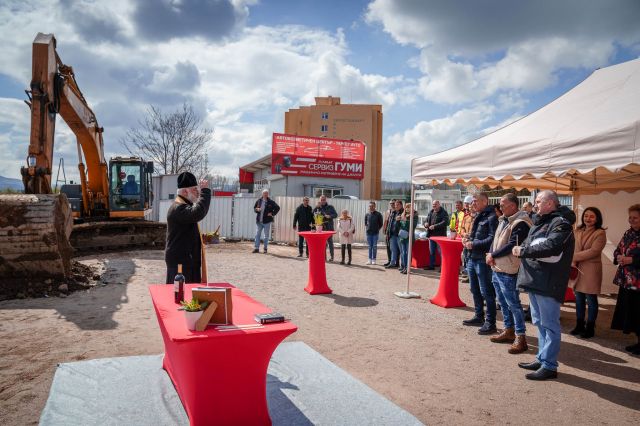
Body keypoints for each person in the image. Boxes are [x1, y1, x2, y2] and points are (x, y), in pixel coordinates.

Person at [513, 190, 575, 380]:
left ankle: (549, 365)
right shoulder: (542, 221)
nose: (535, 204)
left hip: (548, 282)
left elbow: (551, 247)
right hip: (536, 281)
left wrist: (523, 250)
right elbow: (535, 244)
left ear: (550, 204)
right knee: (540, 323)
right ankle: (542, 358)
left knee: (549, 325)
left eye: (539, 201)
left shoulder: (561, 224)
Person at [485, 193, 532, 353]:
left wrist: (493, 255)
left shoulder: (521, 223)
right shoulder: (504, 220)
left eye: (503, 204)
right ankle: (508, 330)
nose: (500, 207)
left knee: (514, 304)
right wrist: (490, 254)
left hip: (509, 269)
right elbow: (495, 240)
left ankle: (520, 336)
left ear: (513, 206)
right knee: (503, 302)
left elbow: (512, 245)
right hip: (498, 267)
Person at [165, 172, 211, 284]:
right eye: (195, 189)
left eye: (198, 189)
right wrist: (205, 192)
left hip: (187, 260)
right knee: (181, 295)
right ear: (185, 191)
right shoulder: (177, 208)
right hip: (180, 262)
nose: (198, 192)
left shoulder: (183, 206)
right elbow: (198, 213)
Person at [462, 192, 498, 335]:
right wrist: (468, 239)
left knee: (486, 292)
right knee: (474, 289)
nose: (472, 204)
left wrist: (474, 243)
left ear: (485, 201)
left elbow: (493, 239)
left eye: (475, 201)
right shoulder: (479, 215)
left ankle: (490, 322)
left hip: (482, 259)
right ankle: (479, 316)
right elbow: (476, 234)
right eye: (472, 202)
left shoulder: (491, 217)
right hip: (472, 257)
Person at [570, 207, 607, 338]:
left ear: (597, 218)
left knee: (591, 299)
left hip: (591, 270)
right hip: (578, 268)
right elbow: (572, 246)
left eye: (592, 216)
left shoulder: (600, 233)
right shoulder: (578, 230)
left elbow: (594, 251)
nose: (588, 218)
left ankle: (590, 327)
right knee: (579, 298)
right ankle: (579, 325)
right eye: (586, 215)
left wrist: (573, 257)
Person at [611, 204, 640, 355]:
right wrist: (618, 257)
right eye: (630, 217)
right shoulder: (628, 233)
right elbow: (618, 248)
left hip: (638, 281)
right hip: (627, 280)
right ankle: (638, 341)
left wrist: (632, 260)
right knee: (632, 311)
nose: (631, 220)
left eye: (635, 217)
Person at [423, 200, 449, 270]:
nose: (434, 206)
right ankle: (431, 266)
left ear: (439, 205)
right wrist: (425, 224)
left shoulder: (444, 212)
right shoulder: (431, 212)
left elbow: (445, 222)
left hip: (440, 236)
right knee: (432, 252)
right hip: (431, 235)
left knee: (441, 252)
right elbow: (425, 220)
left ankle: (443, 267)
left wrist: (435, 226)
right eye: (433, 204)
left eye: (435, 204)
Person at [253, 189, 280, 253]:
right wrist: (257, 209)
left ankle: (265, 248)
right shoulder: (259, 201)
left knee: (266, 236)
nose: (265, 195)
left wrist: (272, 213)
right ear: (262, 194)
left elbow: (278, 208)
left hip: (267, 222)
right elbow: (254, 209)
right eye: (264, 193)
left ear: (268, 194)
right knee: (257, 235)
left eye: (266, 193)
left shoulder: (271, 202)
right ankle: (256, 248)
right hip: (259, 221)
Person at [398, 202, 418, 274]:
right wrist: (398, 221)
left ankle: (407, 268)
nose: (407, 209)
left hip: (409, 237)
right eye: (406, 207)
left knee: (408, 253)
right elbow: (400, 226)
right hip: (403, 237)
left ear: (412, 208)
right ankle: (404, 267)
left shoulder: (414, 215)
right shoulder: (403, 215)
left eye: (408, 207)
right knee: (403, 253)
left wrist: (406, 221)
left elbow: (413, 226)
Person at [317, 195, 338, 261]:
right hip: (321, 228)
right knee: (322, 243)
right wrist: (317, 207)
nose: (323, 201)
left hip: (329, 227)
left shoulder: (330, 207)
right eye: (321, 200)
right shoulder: (318, 207)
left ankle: (332, 257)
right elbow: (314, 214)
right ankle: (324, 257)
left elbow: (335, 215)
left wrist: (330, 216)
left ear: (326, 200)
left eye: (324, 199)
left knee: (330, 243)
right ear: (320, 200)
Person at [385, 200, 404, 269]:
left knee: (401, 250)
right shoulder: (393, 212)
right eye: (395, 205)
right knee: (393, 249)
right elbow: (389, 223)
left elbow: (405, 222)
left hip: (399, 234)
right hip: (392, 234)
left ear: (401, 205)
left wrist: (401, 218)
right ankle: (392, 263)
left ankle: (403, 265)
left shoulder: (404, 212)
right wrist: (388, 232)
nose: (396, 206)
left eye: (397, 205)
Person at [460, 195, 474, 283]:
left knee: (470, 260)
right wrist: (464, 234)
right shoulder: (466, 217)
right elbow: (462, 228)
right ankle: (468, 276)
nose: (468, 208)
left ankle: (471, 277)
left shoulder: (476, 217)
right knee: (466, 258)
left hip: (473, 242)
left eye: (469, 205)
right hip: (465, 241)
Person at [382, 200, 396, 266]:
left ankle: (395, 262)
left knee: (393, 248)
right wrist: (384, 230)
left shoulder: (397, 212)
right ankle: (389, 260)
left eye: (393, 203)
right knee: (388, 246)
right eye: (390, 203)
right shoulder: (388, 211)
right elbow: (385, 221)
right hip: (388, 232)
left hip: (394, 233)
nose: (392, 205)